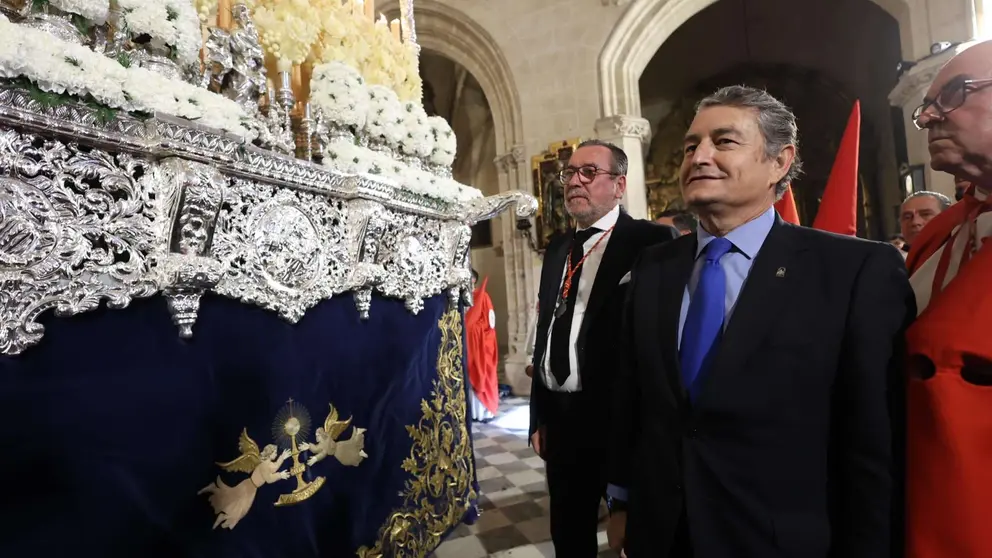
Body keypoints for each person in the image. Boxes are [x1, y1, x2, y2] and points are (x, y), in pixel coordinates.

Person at [607, 85, 913, 558]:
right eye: (691, 146)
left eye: (723, 142)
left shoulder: (854, 272)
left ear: (779, 162)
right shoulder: (654, 268)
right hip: (663, 532)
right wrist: (622, 500)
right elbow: (635, 398)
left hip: (780, 538)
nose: (698, 157)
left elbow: (872, 444)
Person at [529, 139, 678, 557]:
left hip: (620, 419)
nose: (575, 181)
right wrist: (539, 414)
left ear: (619, 185)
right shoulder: (558, 247)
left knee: (632, 539)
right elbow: (548, 331)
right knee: (569, 535)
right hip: (561, 421)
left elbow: (660, 339)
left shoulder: (651, 240)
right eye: (570, 174)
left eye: (589, 172)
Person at [905, 39, 992, 558]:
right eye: (926, 106)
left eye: (955, 93)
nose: (931, 115)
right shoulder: (939, 232)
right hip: (935, 501)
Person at [465, 269, 498, 422]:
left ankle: (485, 412)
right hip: (468, 344)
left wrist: (472, 328)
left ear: (473, 280)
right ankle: (472, 413)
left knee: (482, 375)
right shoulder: (462, 297)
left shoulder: (483, 297)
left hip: (481, 345)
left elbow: (490, 323)